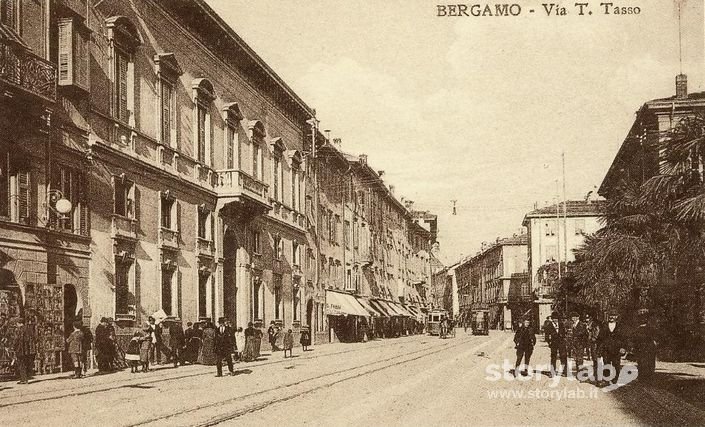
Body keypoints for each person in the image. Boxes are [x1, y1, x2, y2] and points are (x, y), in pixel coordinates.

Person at [599, 311, 625, 385]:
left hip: (617, 349)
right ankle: (606, 380)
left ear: (617, 317)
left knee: (616, 364)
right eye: (610, 315)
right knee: (606, 364)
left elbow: (624, 338)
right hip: (606, 349)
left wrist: (623, 347)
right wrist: (600, 348)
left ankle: (615, 379)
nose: (612, 317)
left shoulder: (620, 326)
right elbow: (600, 338)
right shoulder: (604, 325)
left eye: (614, 315)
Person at [13, 317, 37, 384]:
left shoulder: (19, 330)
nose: (16, 324)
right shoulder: (28, 329)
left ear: (19, 323)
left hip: (20, 349)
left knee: (21, 364)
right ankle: (25, 378)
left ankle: (24, 379)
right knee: (25, 363)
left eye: (17, 323)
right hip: (27, 350)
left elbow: (16, 339)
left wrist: (14, 347)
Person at [544, 311, 566, 377]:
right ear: (552, 318)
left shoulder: (561, 324)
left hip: (561, 343)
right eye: (554, 318)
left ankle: (564, 371)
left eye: (556, 318)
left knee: (563, 356)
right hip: (553, 343)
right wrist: (549, 342)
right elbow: (547, 335)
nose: (555, 319)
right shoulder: (549, 325)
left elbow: (564, 333)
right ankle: (552, 372)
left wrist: (563, 339)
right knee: (553, 357)